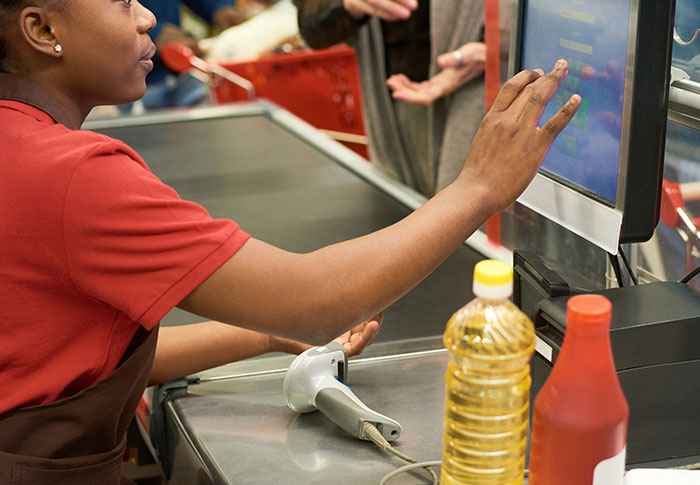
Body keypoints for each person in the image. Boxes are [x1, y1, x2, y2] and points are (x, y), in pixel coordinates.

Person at [0, 0, 578, 483]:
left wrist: (266, 333)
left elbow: (68, 365)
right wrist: (478, 187)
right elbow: (316, 300)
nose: (148, 17)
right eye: (122, 0)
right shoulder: (71, 175)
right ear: (43, 29)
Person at [295, 0, 496, 196]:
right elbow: (311, 24)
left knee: (469, 213)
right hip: (395, 104)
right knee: (410, 205)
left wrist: (496, 46)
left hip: (484, 98)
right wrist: (348, 5)